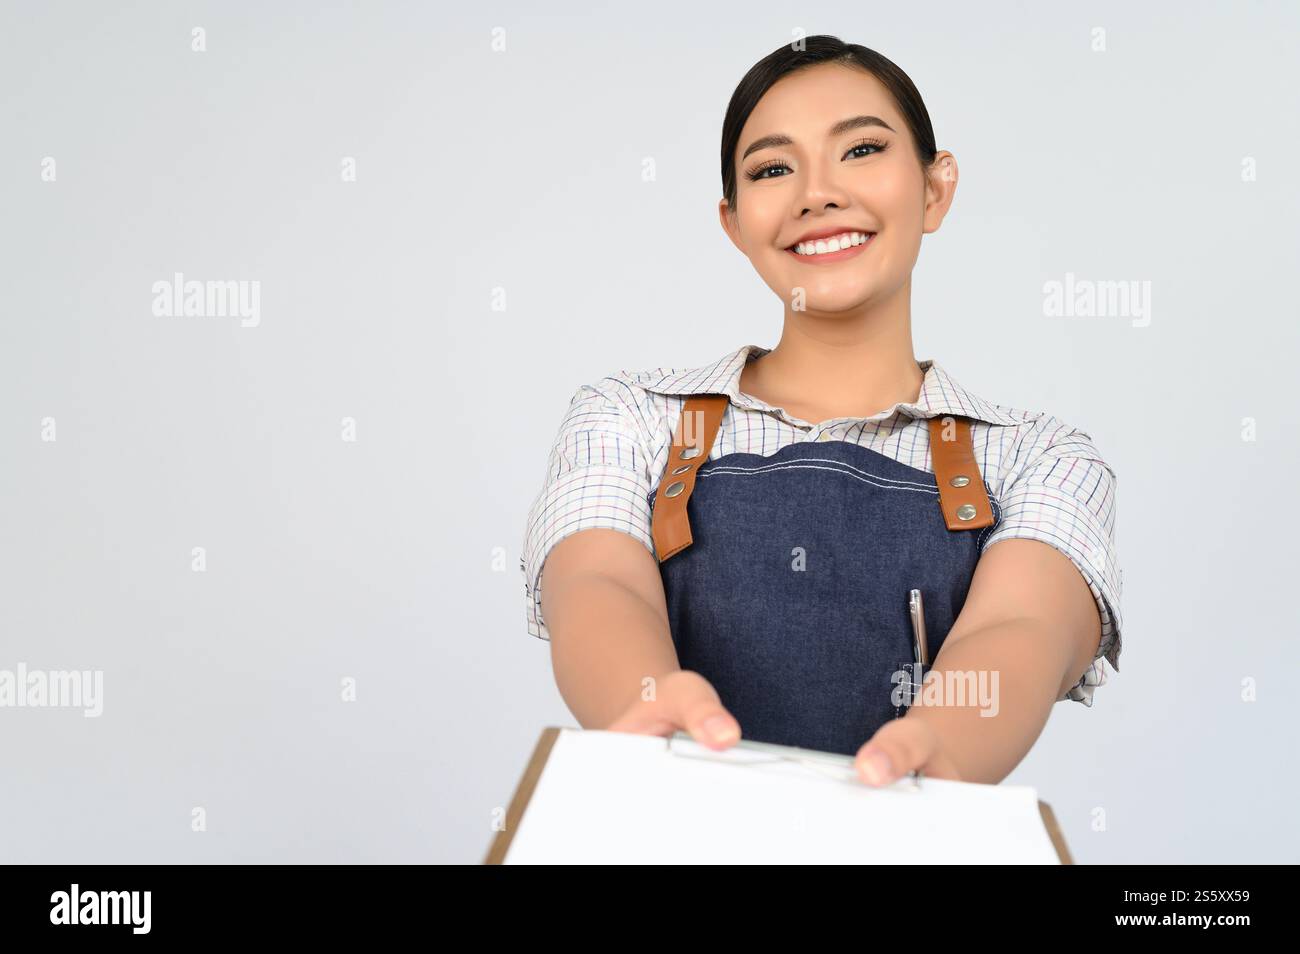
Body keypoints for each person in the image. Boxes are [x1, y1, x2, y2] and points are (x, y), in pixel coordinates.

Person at [520, 36, 1122, 787]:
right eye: (773, 169)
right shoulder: (632, 418)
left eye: (861, 150)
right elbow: (596, 583)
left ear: (935, 190)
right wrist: (643, 700)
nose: (817, 193)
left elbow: (1022, 627)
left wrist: (944, 749)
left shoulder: (1040, 458)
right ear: (733, 223)